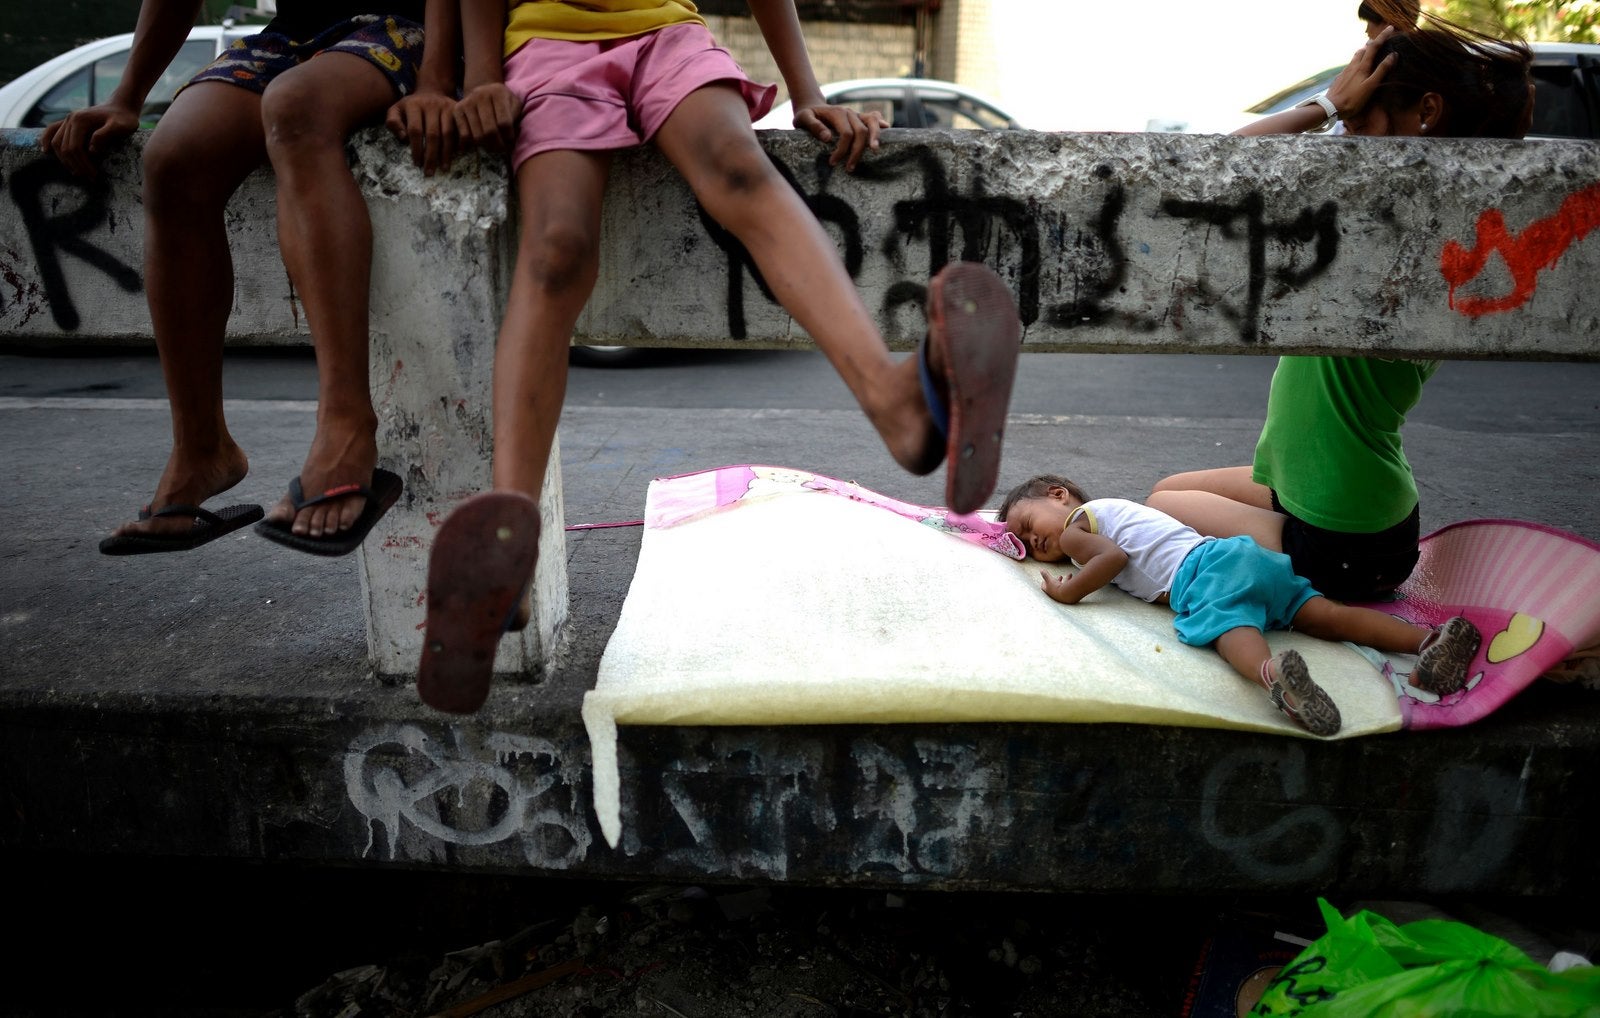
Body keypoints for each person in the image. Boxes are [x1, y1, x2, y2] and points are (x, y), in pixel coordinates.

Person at [414, 0, 1023, 713]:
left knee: (741, 166)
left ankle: (897, 404)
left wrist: (808, 93)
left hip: (668, 32)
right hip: (549, 43)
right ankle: (508, 539)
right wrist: (476, 74)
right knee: (556, 246)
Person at [45, 0, 461, 556]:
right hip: (298, 31)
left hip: (418, 24)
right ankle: (201, 447)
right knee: (172, 157)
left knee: (295, 108)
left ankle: (347, 425)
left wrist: (436, 79)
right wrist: (127, 97)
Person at [1152, 18, 1534, 600]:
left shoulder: (1390, 236)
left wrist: (1325, 106)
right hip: (1352, 509)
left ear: (1426, 113)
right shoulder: (1440, 230)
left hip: (1343, 542)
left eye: (1359, 125)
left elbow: (1207, 173)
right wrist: (1344, 112)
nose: (1346, 142)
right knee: (1170, 486)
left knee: (1159, 506)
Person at [997, 475, 1483, 737]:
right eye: (1025, 542)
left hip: (1202, 574)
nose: (1033, 540)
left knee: (1230, 630)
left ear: (1058, 496)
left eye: (1026, 523)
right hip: (1245, 556)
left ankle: (1275, 678)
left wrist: (1066, 591)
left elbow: (1111, 560)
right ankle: (1431, 642)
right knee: (1326, 616)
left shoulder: (1079, 527)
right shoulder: (1117, 508)